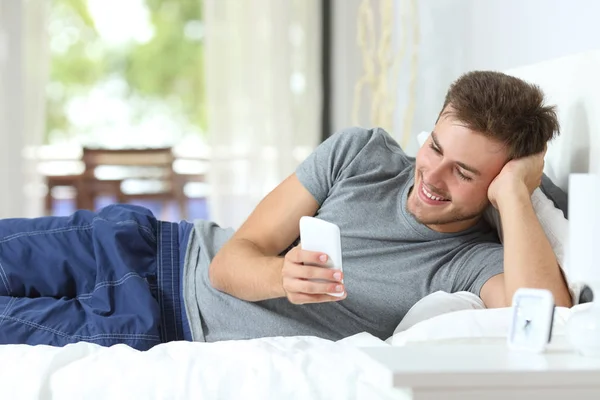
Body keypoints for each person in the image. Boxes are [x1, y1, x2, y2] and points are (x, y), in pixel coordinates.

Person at [0, 71, 571, 351]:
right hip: (150, 243)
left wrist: (517, 195)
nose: (433, 177)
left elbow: (548, 323)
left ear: (501, 178)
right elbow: (229, 263)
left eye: (465, 173)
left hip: (154, 321)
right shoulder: (362, 153)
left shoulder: (471, 264)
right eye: (436, 148)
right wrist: (281, 276)